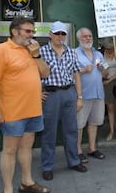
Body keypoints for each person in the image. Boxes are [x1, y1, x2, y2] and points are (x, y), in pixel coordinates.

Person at [0, 17, 51, 193]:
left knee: (27, 146)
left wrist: (36, 55)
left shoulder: (32, 50)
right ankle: (7, 189)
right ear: (15, 31)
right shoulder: (2, 50)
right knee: (9, 150)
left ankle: (26, 182)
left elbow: (45, 73)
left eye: (33, 32)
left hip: (34, 109)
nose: (31, 35)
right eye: (28, 31)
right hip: (12, 110)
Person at [40, 21, 87, 181]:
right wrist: (38, 93)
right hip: (51, 94)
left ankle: (74, 161)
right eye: (57, 33)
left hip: (69, 93)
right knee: (49, 132)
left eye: (63, 34)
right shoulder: (41, 52)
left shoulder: (71, 52)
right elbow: (34, 74)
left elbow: (76, 74)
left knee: (71, 130)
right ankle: (47, 167)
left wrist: (79, 97)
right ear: (50, 34)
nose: (60, 36)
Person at [75, 28, 107, 164]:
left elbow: (105, 73)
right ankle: (78, 151)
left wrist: (103, 70)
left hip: (98, 93)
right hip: (83, 95)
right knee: (79, 125)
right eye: (84, 36)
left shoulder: (98, 54)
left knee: (94, 122)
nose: (88, 38)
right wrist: (83, 70)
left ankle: (92, 148)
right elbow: (70, 74)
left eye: (90, 36)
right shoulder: (74, 53)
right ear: (78, 39)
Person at [99, 38, 116, 141]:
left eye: (111, 48)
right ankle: (111, 131)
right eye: (107, 48)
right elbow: (100, 67)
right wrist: (103, 72)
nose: (109, 50)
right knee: (110, 107)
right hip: (106, 81)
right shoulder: (100, 53)